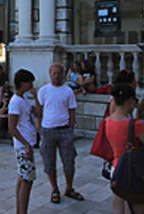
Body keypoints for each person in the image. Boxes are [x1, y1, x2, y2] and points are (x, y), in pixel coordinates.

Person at [104, 84, 144, 214]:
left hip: (116, 168)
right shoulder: (135, 124)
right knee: (136, 206)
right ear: (129, 100)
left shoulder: (108, 120)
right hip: (134, 170)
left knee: (118, 203)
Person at [36, 63, 83, 204]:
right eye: (54, 73)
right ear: (50, 74)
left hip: (64, 130)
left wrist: (71, 129)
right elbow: (39, 111)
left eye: (59, 73)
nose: (56, 76)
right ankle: (54, 189)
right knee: (49, 163)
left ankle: (69, 187)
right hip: (48, 130)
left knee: (69, 162)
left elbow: (72, 111)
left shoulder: (68, 91)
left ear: (63, 74)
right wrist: (39, 129)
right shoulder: (43, 90)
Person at [8, 69, 37, 214]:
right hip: (24, 145)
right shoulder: (15, 102)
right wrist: (26, 145)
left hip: (27, 143)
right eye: (29, 82)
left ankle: (20, 210)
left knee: (22, 177)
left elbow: (38, 113)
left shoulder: (24, 99)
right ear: (22, 83)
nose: (31, 84)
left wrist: (36, 97)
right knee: (27, 180)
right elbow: (12, 128)